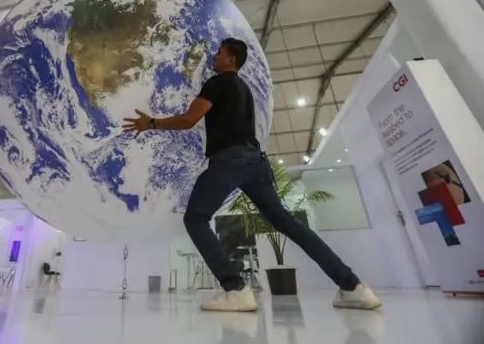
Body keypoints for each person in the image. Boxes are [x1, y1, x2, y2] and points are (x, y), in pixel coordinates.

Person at [122, 38, 381, 312]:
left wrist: (150, 123)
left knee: (196, 218)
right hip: (257, 163)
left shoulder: (218, 82)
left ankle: (235, 290)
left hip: (230, 160)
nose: (214, 57)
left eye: (219, 53)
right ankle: (353, 287)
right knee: (288, 223)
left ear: (230, 59)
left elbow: (189, 120)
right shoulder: (243, 88)